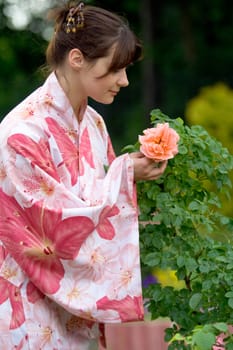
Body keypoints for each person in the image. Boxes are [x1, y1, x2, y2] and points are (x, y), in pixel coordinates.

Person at [0, 1, 167, 349]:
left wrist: (129, 175)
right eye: (115, 69)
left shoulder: (93, 124)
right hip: (25, 302)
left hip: (72, 310)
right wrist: (124, 175)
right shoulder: (21, 132)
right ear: (77, 59)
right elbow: (54, 224)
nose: (124, 80)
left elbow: (100, 202)